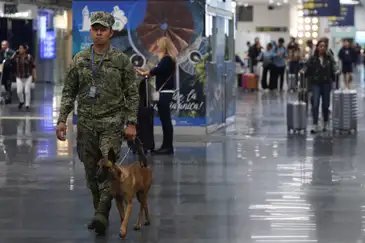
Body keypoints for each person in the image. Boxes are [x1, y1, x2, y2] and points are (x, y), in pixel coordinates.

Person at [55, 11, 139, 235]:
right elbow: (68, 91)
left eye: (103, 28)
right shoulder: (80, 59)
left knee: (108, 169)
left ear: (111, 32)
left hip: (112, 123)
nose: (99, 31)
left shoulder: (120, 60)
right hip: (86, 126)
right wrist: (62, 119)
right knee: (91, 172)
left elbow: (132, 93)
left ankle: (102, 211)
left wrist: (131, 122)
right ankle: (99, 211)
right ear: (91, 31)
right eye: (95, 28)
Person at [136, 37, 176, 155]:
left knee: (166, 120)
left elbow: (158, 70)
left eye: (159, 45)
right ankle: (166, 145)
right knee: (165, 119)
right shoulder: (167, 59)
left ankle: (168, 146)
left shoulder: (167, 59)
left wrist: (146, 73)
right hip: (165, 92)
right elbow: (157, 70)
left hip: (165, 92)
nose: (157, 48)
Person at [305, 39, 336, 133]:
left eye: (324, 46)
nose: (322, 48)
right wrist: (304, 71)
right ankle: (315, 124)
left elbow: (334, 68)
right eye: (320, 46)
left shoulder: (329, 58)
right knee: (315, 104)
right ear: (317, 47)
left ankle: (325, 123)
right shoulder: (313, 58)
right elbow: (307, 68)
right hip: (316, 83)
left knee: (326, 104)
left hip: (326, 83)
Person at [11, 44, 36, 111]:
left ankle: (27, 105)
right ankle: (21, 101)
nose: (20, 50)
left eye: (21, 48)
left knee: (27, 91)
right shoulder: (17, 57)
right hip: (19, 76)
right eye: (19, 48)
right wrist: (15, 53)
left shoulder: (29, 57)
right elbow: (11, 60)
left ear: (25, 49)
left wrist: (34, 75)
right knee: (19, 91)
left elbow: (33, 67)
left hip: (28, 76)